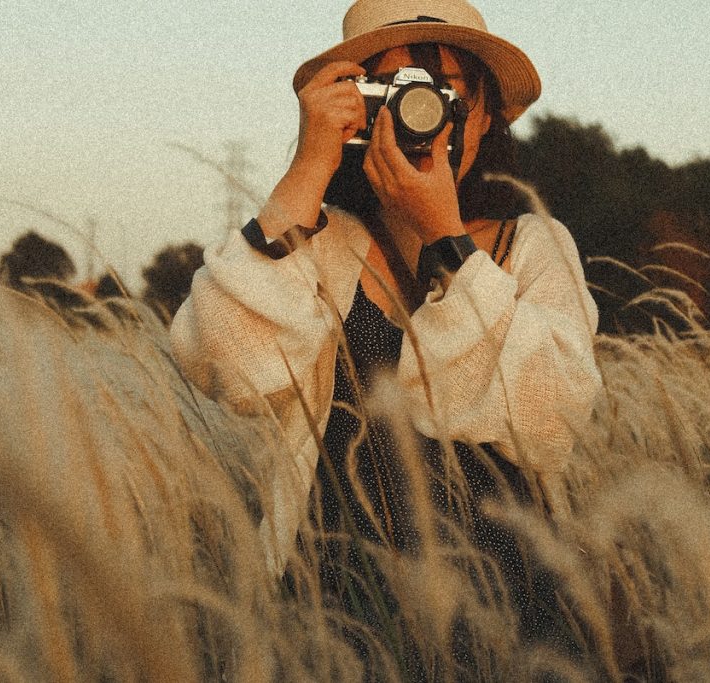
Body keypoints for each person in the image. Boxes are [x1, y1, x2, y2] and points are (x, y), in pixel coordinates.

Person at [170, 0, 601, 672]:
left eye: (444, 91)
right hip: (333, 614)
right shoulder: (320, 244)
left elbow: (550, 417)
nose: (419, 111)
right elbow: (224, 364)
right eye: (393, 89)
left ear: (487, 115)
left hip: (508, 616)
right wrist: (305, 173)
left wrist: (448, 241)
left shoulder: (534, 244)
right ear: (357, 110)